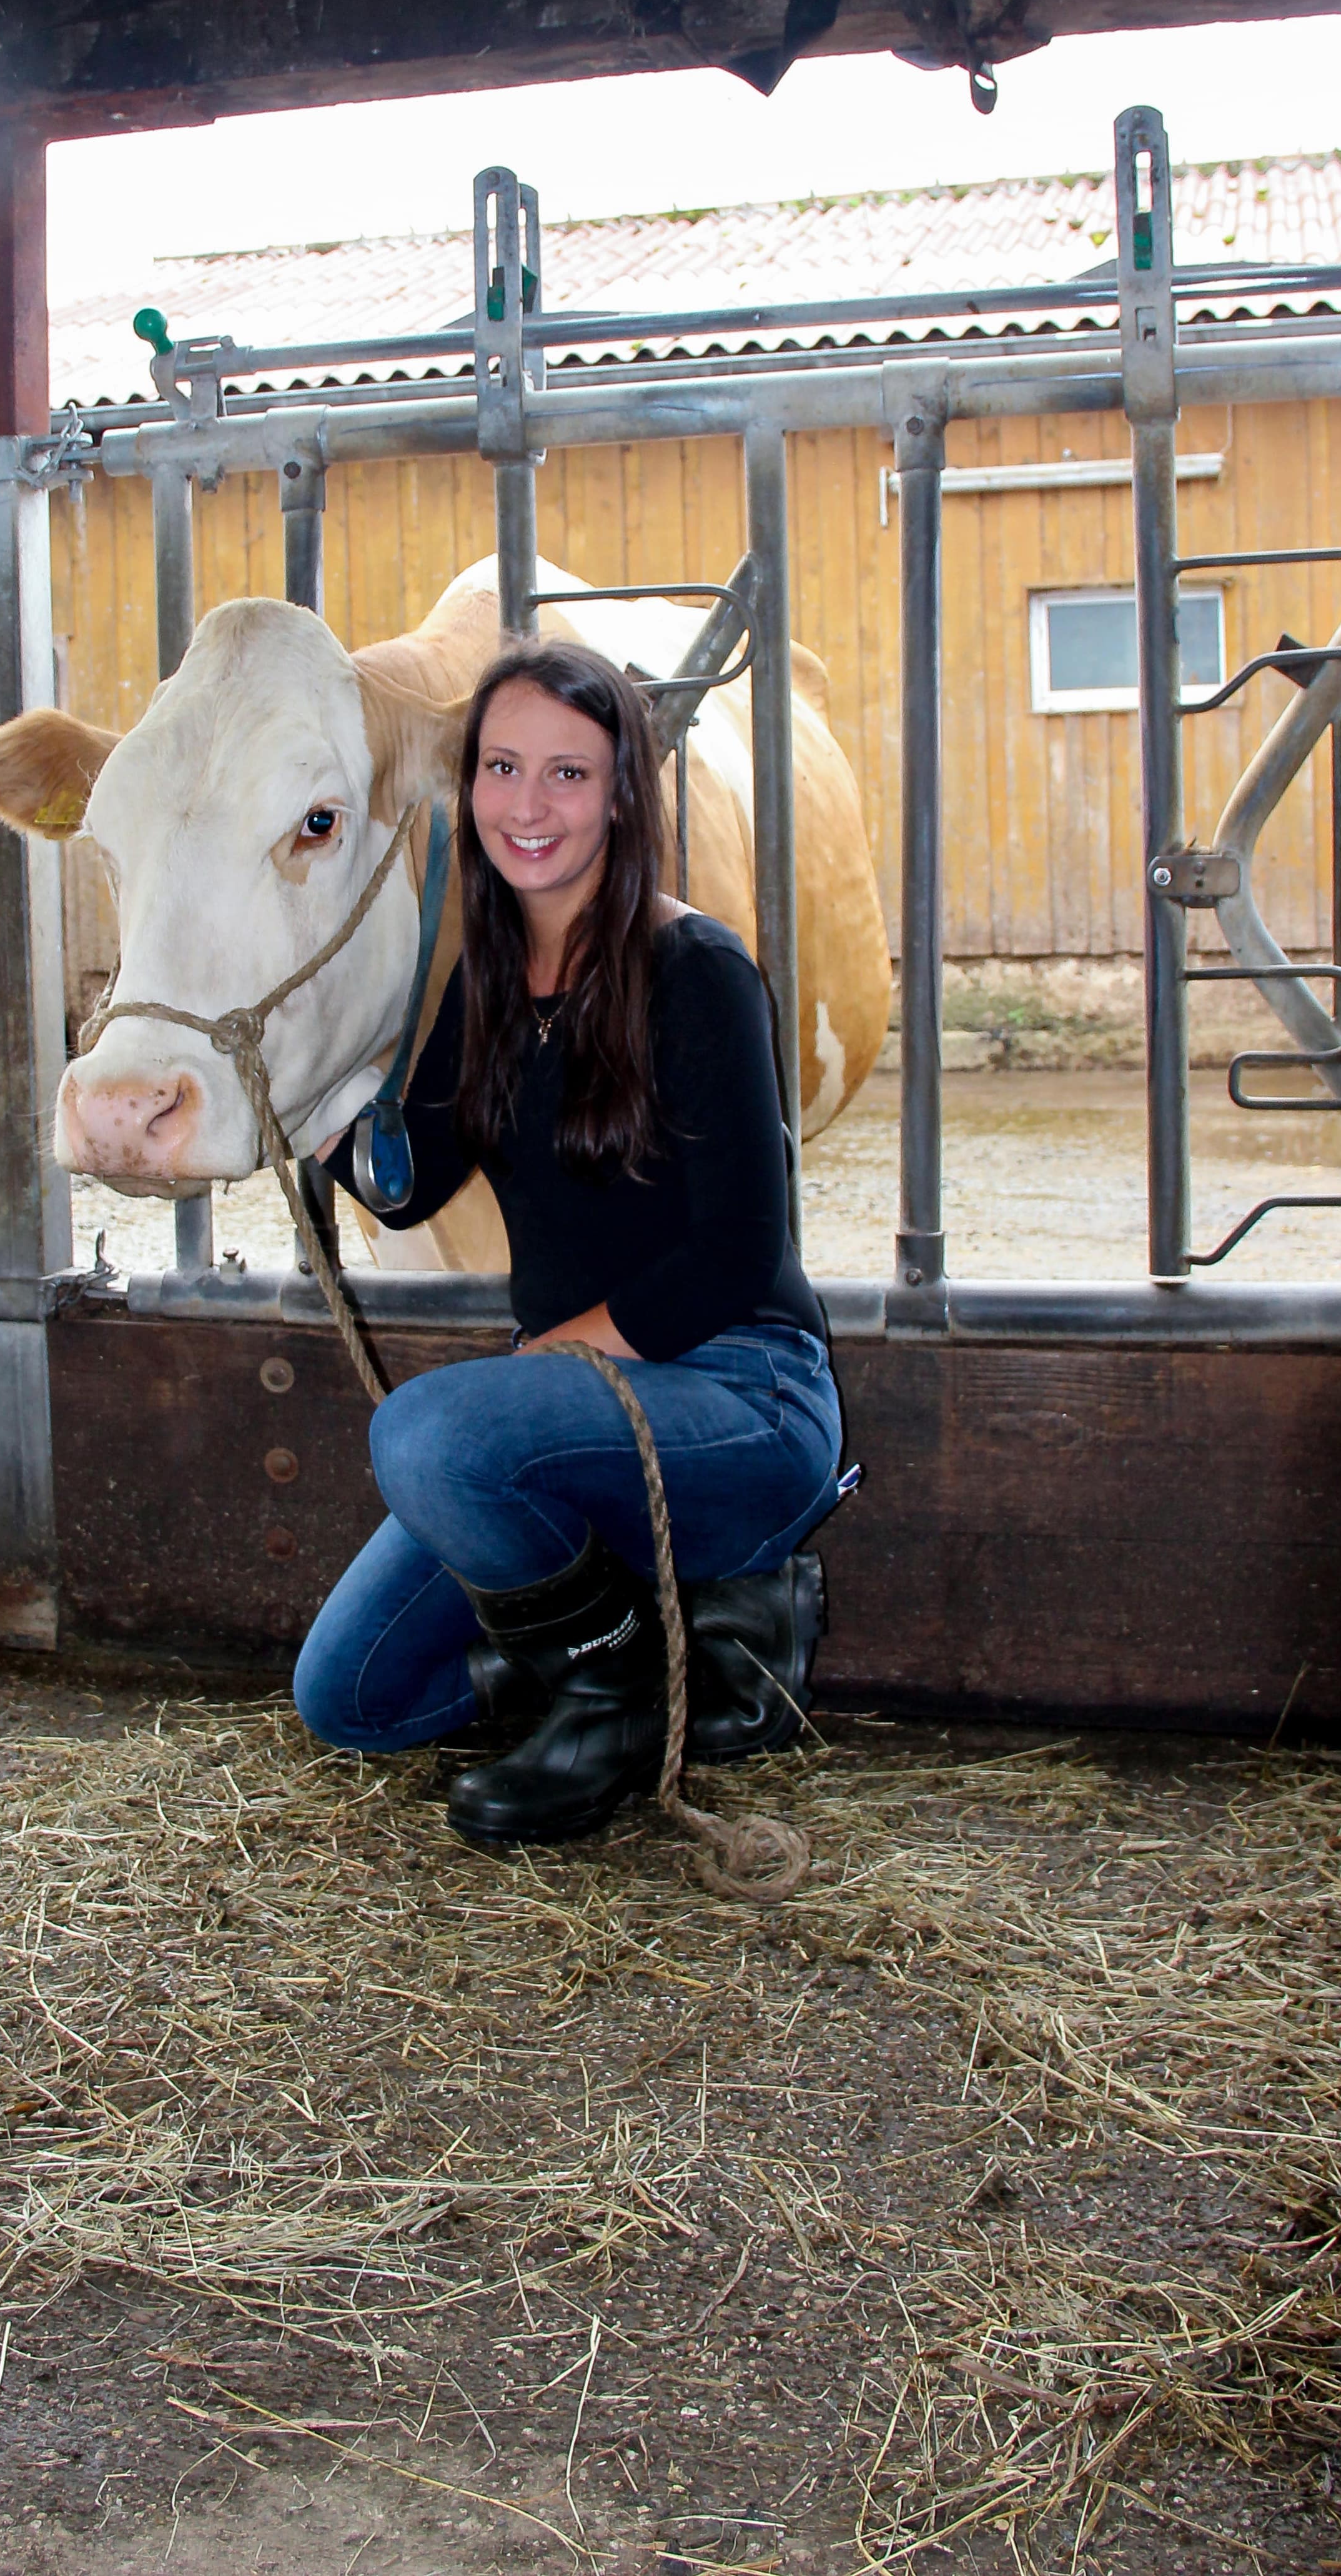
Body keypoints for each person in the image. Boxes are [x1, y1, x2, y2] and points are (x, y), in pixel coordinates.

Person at [292, 637, 848, 1852]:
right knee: (350, 1700)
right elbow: (409, 1184)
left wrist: (560, 1361)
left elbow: (742, 1254)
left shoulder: (695, 968)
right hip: (570, 1425)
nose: (526, 806)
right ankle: (683, 1668)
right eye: (501, 767)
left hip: (738, 1397)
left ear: (622, 796)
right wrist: (302, 1084)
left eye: (568, 774)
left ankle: (614, 1700)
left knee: (426, 1434)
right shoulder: (487, 977)